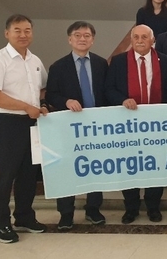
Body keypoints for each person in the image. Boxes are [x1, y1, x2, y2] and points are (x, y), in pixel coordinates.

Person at [0, 14, 49, 243]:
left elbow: (41, 91)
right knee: (5, 175)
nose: (23, 35)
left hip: (32, 123)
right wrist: (26, 107)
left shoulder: (35, 61)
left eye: (27, 30)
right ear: (7, 33)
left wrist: (42, 106)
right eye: (18, 30)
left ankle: (24, 216)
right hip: (7, 124)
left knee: (29, 175)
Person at [105, 25, 167, 224]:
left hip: (158, 126)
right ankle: (131, 207)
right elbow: (108, 89)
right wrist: (122, 99)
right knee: (130, 166)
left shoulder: (166, 61)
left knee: (155, 166)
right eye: (136, 37)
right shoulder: (118, 62)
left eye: (145, 37)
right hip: (128, 126)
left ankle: (153, 207)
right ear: (131, 40)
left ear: (153, 40)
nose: (140, 40)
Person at [45, 21, 107, 231]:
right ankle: (66, 213)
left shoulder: (101, 64)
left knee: (95, 169)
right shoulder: (58, 66)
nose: (82, 39)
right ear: (69, 39)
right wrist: (66, 101)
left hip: (96, 127)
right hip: (69, 128)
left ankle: (93, 209)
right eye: (78, 35)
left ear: (93, 39)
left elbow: (106, 94)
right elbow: (51, 94)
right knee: (67, 169)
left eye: (87, 35)